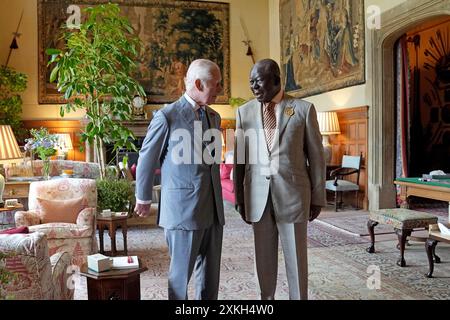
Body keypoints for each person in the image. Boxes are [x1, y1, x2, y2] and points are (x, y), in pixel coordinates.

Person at [233, 59, 326, 300]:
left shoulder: (303, 109)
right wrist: (239, 198)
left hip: (294, 197)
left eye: (258, 81)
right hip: (257, 198)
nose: (254, 87)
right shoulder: (244, 112)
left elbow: (316, 158)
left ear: (276, 80)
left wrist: (317, 197)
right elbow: (240, 160)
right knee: (262, 258)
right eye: (251, 82)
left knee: (296, 258)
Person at [134, 59, 225, 300]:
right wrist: (143, 197)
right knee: (180, 277)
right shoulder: (167, 116)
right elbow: (147, 158)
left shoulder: (214, 117)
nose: (220, 89)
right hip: (183, 210)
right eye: (216, 84)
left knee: (210, 276)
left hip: (214, 208)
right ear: (198, 83)